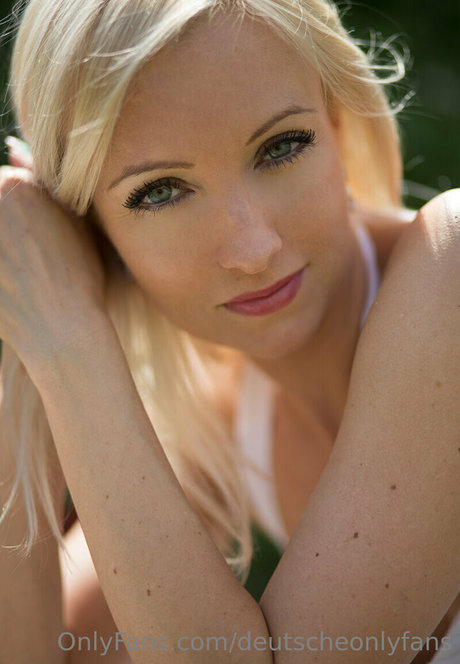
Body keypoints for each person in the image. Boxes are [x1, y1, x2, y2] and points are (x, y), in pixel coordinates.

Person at [0, 0, 459, 662]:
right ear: (93, 235)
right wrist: (36, 333)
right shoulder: (219, 414)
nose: (254, 248)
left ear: (336, 121)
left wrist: (68, 337)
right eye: (160, 191)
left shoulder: (453, 263)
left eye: (282, 146)